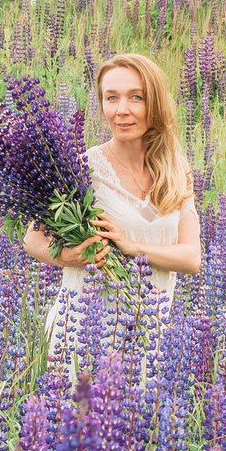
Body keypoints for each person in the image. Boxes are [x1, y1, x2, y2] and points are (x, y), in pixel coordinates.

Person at [23, 52, 204, 348]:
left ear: (154, 103)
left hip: (150, 333)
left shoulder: (176, 168)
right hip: (83, 333)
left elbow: (191, 258)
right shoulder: (80, 169)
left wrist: (133, 247)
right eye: (111, 98)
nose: (122, 110)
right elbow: (32, 239)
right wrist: (67, 257)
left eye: (136, 97)